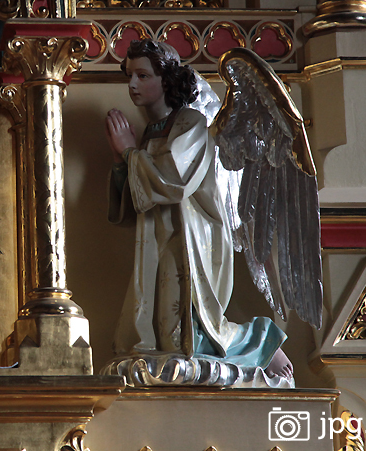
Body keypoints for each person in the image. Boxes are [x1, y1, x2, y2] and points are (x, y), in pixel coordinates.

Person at [105, 39, 293, 379]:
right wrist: (123, 161)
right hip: (159, 238)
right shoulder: (151, 131)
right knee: (163, 333)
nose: (132, 84)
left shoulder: (190, 123)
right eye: (129, 75)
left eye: (142, 75)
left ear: (166, 80)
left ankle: (262, 342)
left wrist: (129, 153)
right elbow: (138, 198)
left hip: (193, 239)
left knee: (191, 330)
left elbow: (173, 180)